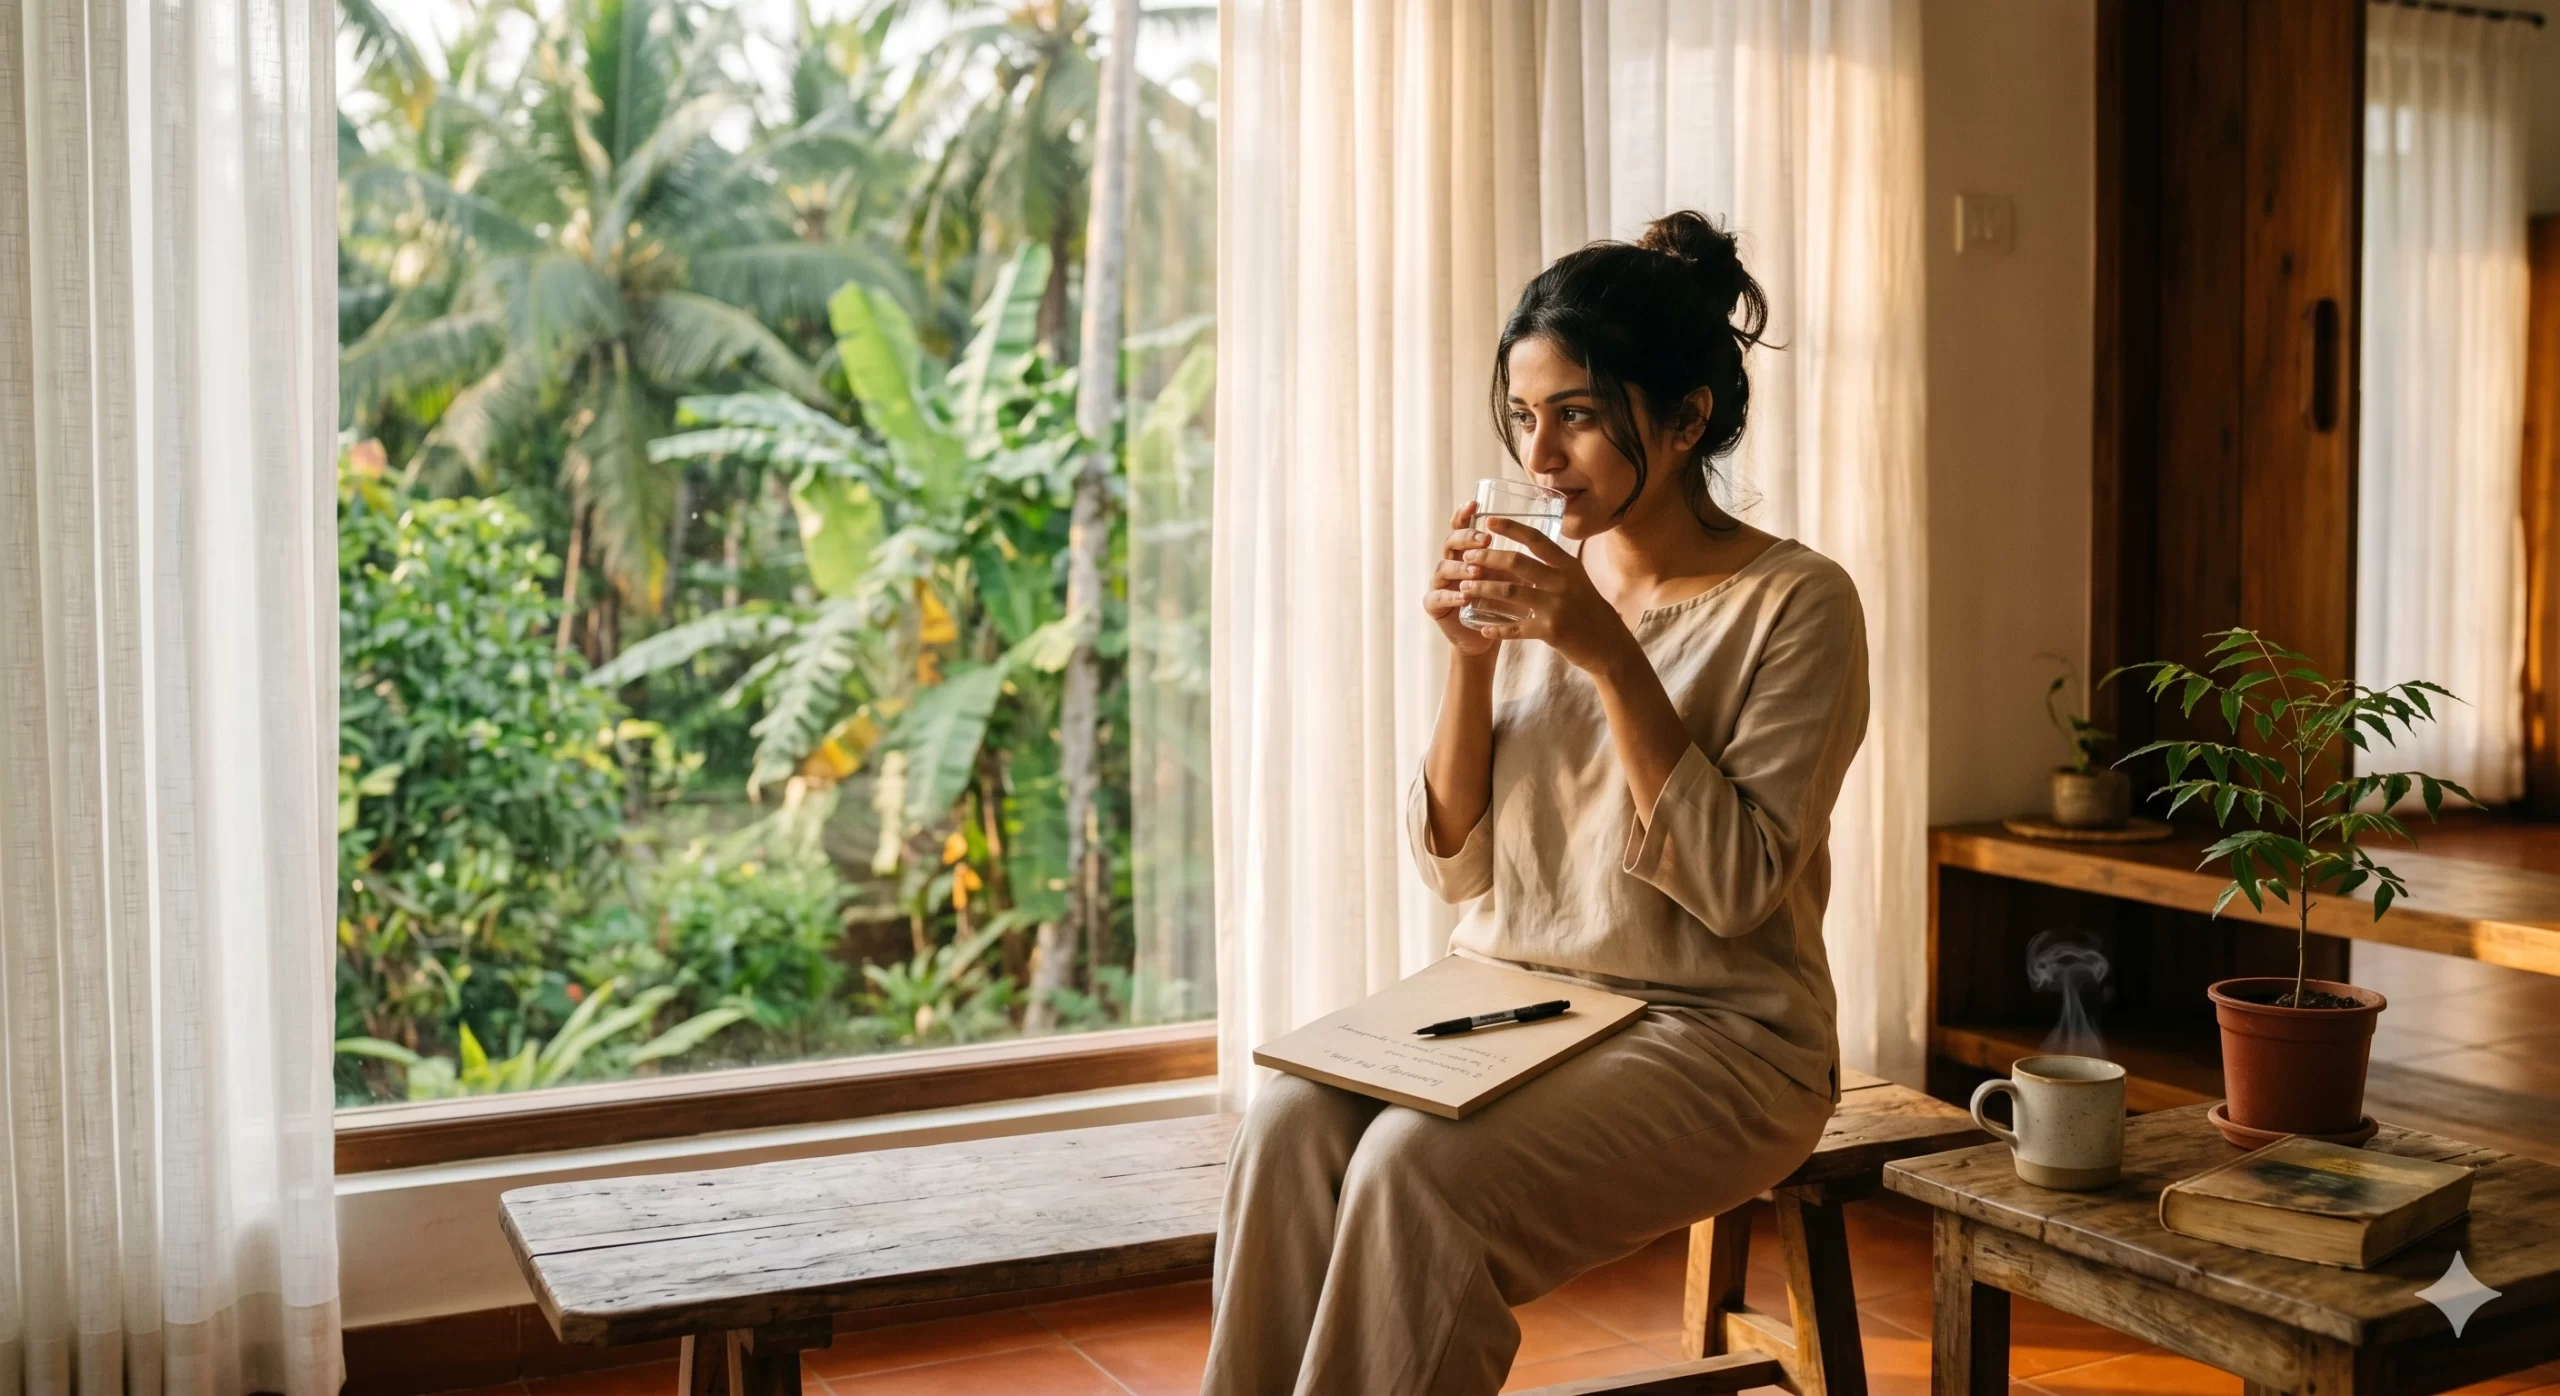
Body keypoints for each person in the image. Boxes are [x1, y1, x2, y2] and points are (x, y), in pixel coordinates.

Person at [1200, 210, 1872, 1396]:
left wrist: (1607, 652)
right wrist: (1466, 656)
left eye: (1573, 414)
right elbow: (1458, 865)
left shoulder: (1797, 603)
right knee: (1287, 1123)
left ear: (1683, 420)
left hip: (1721, 1032)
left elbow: (1731, 886)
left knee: (1413, 1169)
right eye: (1523, 415)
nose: (1540, 454)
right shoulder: (1542, 577)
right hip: (1518, 994)